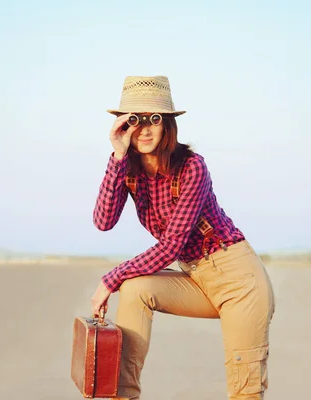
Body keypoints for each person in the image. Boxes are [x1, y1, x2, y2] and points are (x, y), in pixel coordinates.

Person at [91, 75, 275, 400]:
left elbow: (172, 245)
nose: (144, 129)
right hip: (195, 276)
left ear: (168, 125)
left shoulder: (192, 168)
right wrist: (118, 157)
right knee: (135, 288)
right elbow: (103, 221)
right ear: (123, 126)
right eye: (136, 120)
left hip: (238, 281)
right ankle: (122, 395)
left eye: (154, 119)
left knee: (244, 391)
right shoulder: (129, 170)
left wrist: (111, 278)